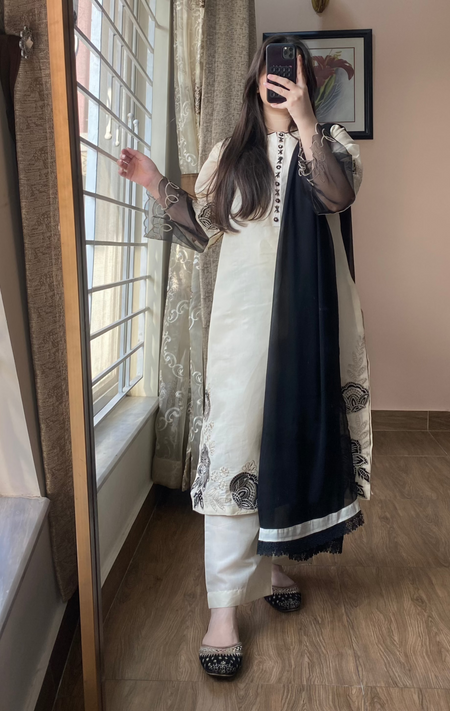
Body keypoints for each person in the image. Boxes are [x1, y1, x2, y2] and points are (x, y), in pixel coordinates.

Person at [117, 35, 372, 678]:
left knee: (285, 444)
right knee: (235, 450)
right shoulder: (229, 155)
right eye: (269, 69)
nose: (278, 79)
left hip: (308, 331)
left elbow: (337, 197)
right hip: (242, 331)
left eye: (292, 70)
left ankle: (270, 564)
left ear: (306, 82)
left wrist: (308, 124)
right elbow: (202, 232)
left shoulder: (333, 144)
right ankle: (223, 613)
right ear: (255, 80)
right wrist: (155, 184)